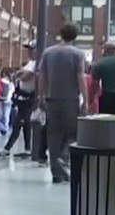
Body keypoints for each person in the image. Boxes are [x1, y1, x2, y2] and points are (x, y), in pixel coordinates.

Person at [37, 23, 89, 184]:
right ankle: (63, 157)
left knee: (53, 135)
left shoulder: (48, 52)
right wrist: (86, 99)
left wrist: (41, 97)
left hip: (52, 99)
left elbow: (42, 76)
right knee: (73, 133)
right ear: (75, 37)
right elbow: (81, 76)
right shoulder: (78, 54)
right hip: (70, 99)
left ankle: (56, 172)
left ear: (60, 34)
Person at [0, 69, 37, 157]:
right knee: (26, 126)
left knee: (18, 125)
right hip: (23, 100)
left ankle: (7, 148)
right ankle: (27, 149)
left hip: (28, 101)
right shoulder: (30, 65)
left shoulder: (35, 65)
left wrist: (21, 75)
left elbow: (26, 76)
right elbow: (18, 74)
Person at [92, 42, 115, 115]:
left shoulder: (100, 63)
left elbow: (94, 83)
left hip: (106, 96)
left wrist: (91, 98)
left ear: (105, 50)